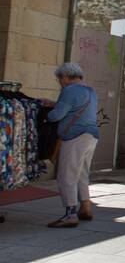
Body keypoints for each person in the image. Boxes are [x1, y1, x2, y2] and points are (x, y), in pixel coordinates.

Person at [46, 63, 99, 228]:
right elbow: (75, 108)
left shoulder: (69, 90)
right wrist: (54, 104)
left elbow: (57, 116)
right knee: (82, 173)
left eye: (59, 79)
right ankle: (86, 207)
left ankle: (70, 214)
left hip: (74, 136)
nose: (60, 83)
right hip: (91, 135)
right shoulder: (90, 91)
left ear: (65, 77)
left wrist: (45, 113)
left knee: (66, 175)